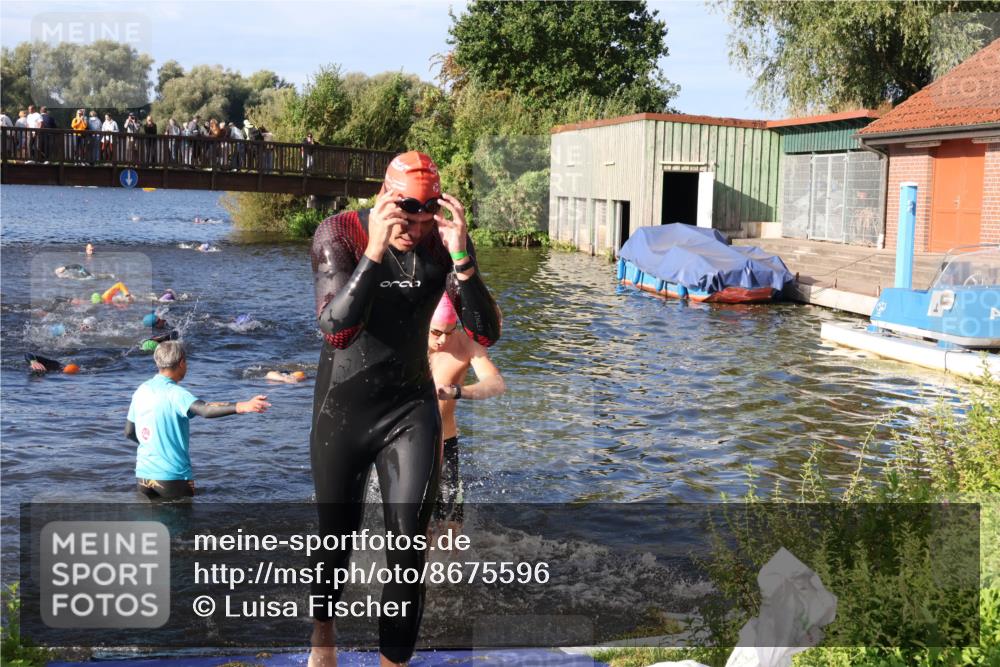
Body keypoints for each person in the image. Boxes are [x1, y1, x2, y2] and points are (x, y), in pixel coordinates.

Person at [308, 150, 501, 666]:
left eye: (422, 222)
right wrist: (373, 251)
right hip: (341, 409)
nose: (413, 233)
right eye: (403, 219)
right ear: (383, 200)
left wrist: (463, 259)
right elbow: (339, 331)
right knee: (335, 539)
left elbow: (486, 333)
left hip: (409, 410)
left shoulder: (441, 242)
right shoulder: (340, 234)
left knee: (408, 547)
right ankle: (322, 639)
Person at [125, 341, 270, 500]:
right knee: (181, 524)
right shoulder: (176, 393)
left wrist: (155, 445)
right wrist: (243, 406)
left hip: (143, 476)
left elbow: (129, 432)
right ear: (181, 363)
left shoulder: (141, 391)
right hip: (173, 477)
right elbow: (205, 409)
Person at [427, 293, 505, 527]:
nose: (442, 340)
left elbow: (496, 384)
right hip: (405, 443)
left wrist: (457, 391)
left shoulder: (465, 345)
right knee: (415, 525)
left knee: (451, 525)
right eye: (436, 332)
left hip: (445, 441)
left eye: (449, 332)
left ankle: (451, 564)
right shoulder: (406, 340)